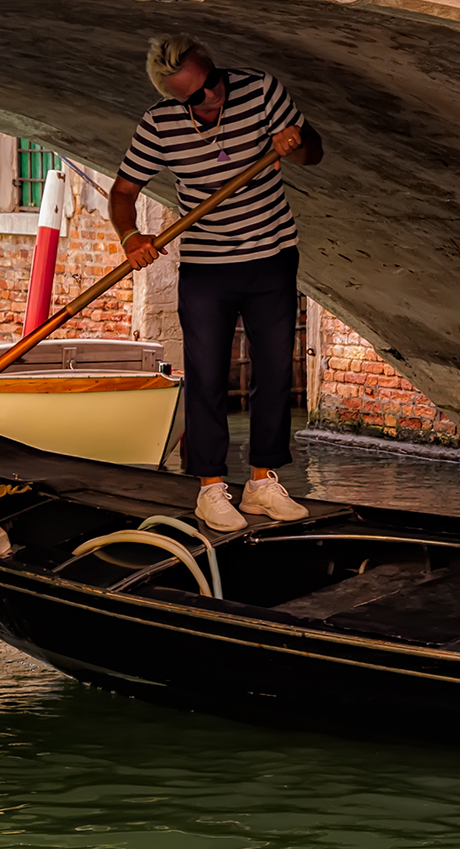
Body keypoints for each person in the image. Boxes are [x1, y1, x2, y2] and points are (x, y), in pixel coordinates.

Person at [110, 35, 325, 532]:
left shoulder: (261, 91)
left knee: (274, 373)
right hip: (207, 266)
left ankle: (262, 483)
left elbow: (313, 153)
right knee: (206, 378)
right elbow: (124, 191)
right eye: (194, 96)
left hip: (272, 254)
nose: (211, 97)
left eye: (212, 83)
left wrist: (293, 144)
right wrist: (130, 236)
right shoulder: (159, 124)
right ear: (174, 98)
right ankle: (210, 489)